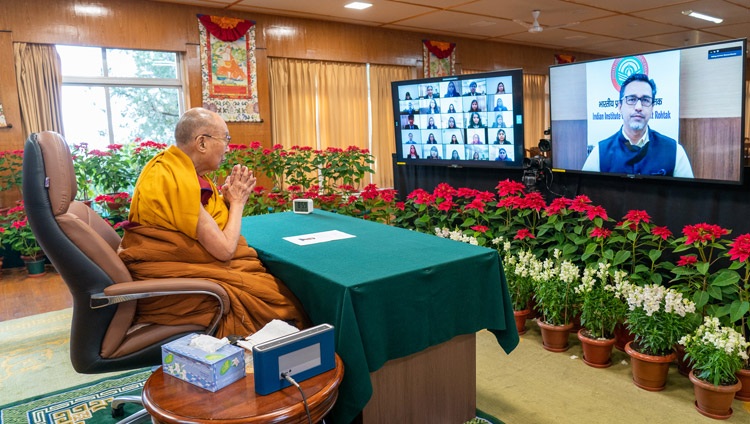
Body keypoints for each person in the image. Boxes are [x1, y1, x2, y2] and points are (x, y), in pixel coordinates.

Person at [118, 107, 309, 338]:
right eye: (225, 139)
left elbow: (198, 221)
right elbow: (225, 250)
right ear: (202, 143)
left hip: (184, 271)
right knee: (279, 300)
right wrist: (238, 203)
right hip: (178, 290)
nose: (228, 148)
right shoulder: (174, 178)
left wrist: (227, 202)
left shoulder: (175, 169)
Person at [582, 73, 694, 178]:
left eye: (645, 100)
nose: (639, 107)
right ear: (620, 106)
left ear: (652, 108)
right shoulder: (599, 153)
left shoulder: (675, 151)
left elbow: (689, 196)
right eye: (631, 99)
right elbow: (585, 195)